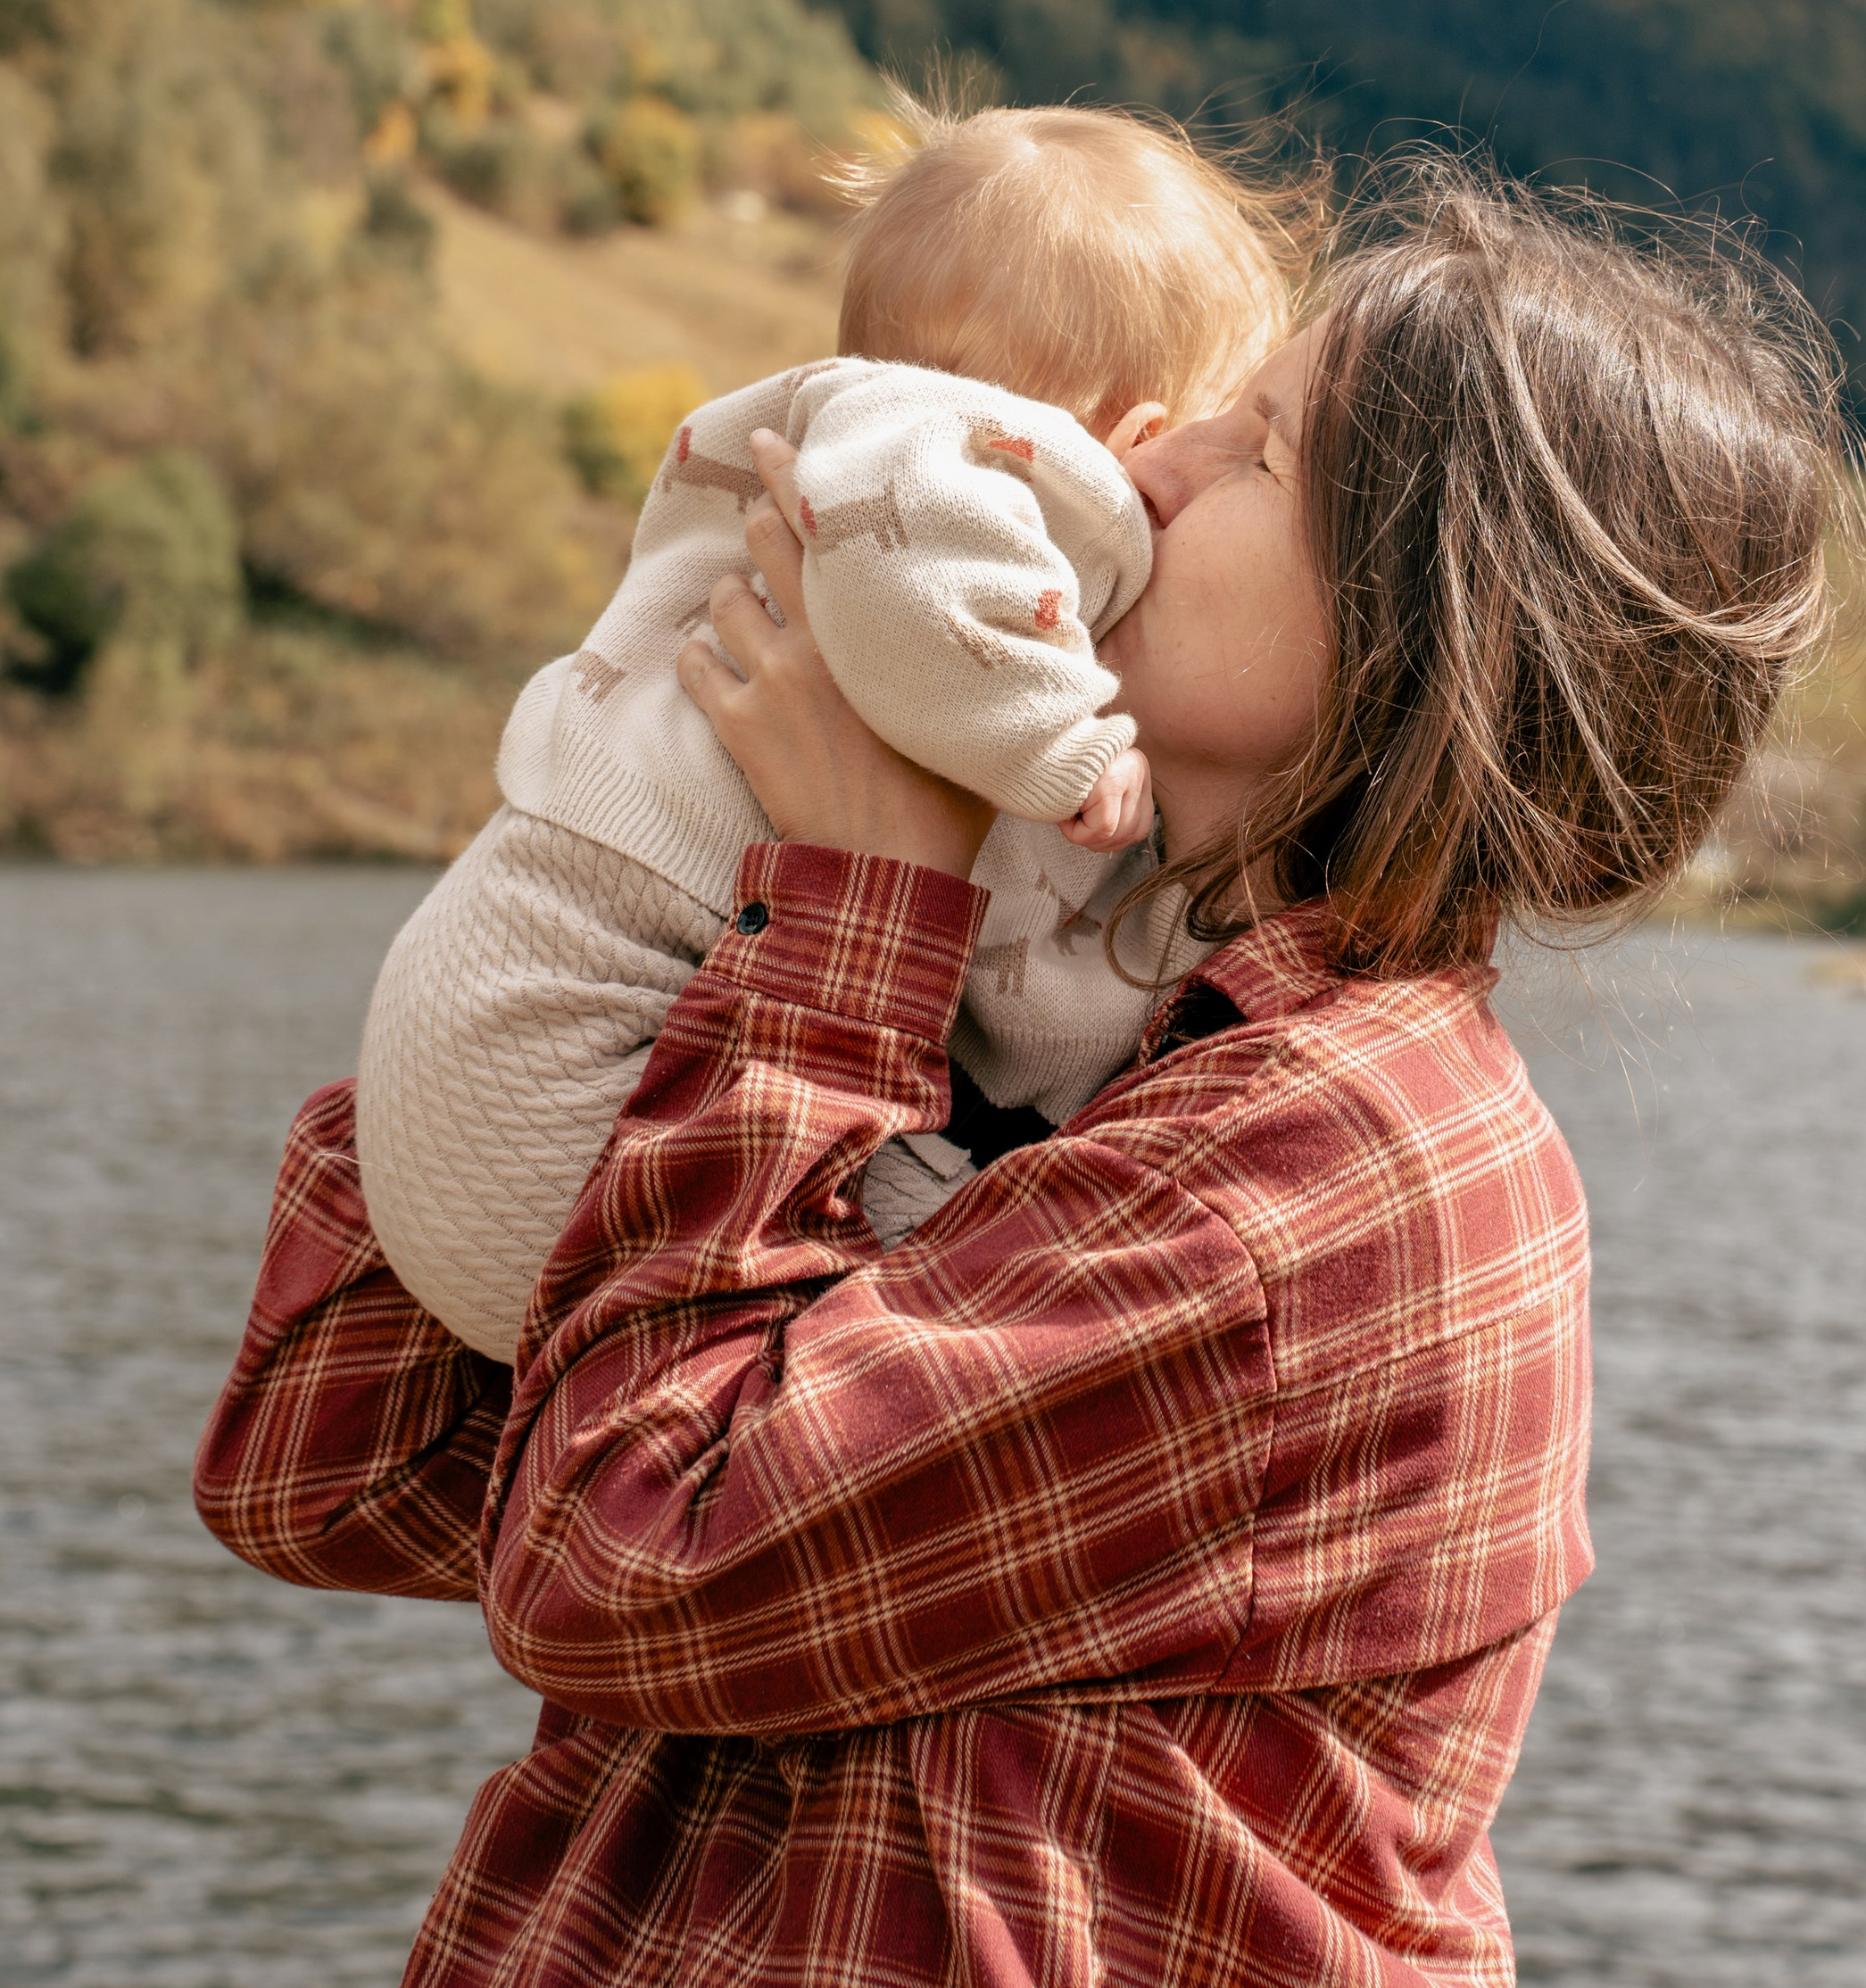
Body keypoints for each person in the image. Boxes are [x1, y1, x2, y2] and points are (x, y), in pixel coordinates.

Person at [195, 163, 1850, 1988]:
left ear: (1432, 623)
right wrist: (622, 855)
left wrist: (847, 901)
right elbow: (337, 1462)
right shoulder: (1085, 1020)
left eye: (1253, 451)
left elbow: (617, 1549)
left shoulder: (1320, 1183)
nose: (1138, 469)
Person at [355, 99, 1301, 1351]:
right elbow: (929, 596)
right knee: (989, 1286)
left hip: (477, 1036)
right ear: (1134, 436)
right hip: (573, 1064)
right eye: (1220, 430)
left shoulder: (855, 455)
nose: (1186, 484)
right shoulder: (935, 466)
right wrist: (1070, 745)